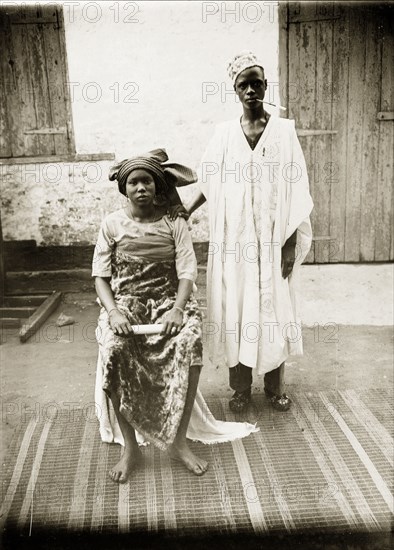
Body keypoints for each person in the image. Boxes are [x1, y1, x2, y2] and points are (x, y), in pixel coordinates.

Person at [92, 149, 258, 483]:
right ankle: (130, 447)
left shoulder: (174, 222)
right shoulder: (111, 224)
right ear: (124, 188)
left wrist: (177, 309)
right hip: (127, 301)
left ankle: (179, 440)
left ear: (157, 186)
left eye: (147, 181)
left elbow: (186, 273)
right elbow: (100, 277)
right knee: (113, 348)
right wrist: (113, 312)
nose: (141, 188)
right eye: (134, 182)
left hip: (170, 298)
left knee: (188, 341)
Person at [170, 51, 313, 414]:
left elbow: (297, 188)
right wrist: (186, 209)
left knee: (274, 309)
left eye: (256, 83)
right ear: (235, 90)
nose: (251, 90)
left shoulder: (283, 131)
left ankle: (275, 385)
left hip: (273, 238)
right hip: (235, 241)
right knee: (237, 308)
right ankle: (240, 389)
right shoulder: (224, 135)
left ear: (265, 86)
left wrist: (290, 242)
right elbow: (210, 180)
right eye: (243, 84)